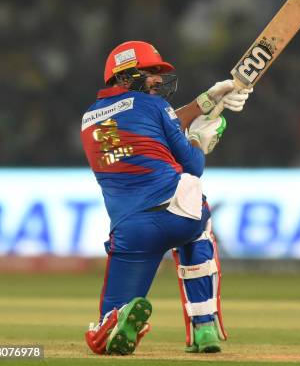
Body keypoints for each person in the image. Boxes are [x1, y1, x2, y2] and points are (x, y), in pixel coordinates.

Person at [81, 41, 250, 355]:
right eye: (150, 72)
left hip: (130, 231)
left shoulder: (89, 119)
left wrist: (206, 100)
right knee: (198, 221)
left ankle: (111, 326)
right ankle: (204, 327)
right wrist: (200, 137)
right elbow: (193, 165)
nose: (158, 80)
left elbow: (147, 118)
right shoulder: (156, 107)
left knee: (108, 321)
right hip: (177, 212)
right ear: (125, 74)